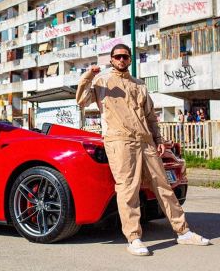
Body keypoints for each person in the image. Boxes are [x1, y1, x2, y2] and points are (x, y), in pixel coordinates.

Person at [76, 44, 210, 256]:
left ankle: (183, 231)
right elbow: (81, 100)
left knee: (163, 185)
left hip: (145, 140)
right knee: (128, 188)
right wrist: (87, 76)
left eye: (125, 57)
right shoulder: (102, 81)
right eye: (117, 57)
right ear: (111, 59)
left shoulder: (139, 85)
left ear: (130, 60)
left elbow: (150, 116)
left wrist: (158, 138)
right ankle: (134, 238)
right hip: (119, 140)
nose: (121, 60)